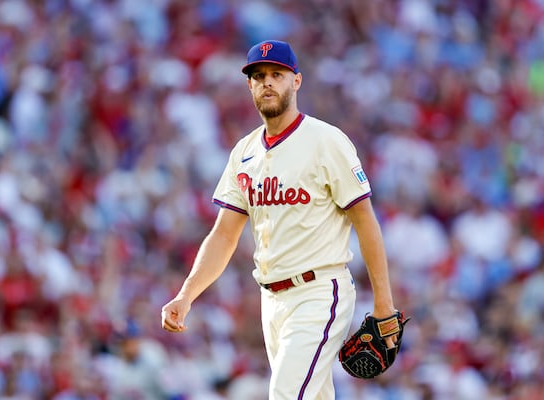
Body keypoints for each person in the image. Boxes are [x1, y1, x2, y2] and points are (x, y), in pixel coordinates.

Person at [161, 39, 398, 399]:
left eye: (277, 74)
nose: (267, 82)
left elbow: (365, 221)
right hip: (271, 301)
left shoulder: (326, 141)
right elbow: (224, 234)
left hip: (320, 291)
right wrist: (186, 294)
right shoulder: (245, 152)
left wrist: (384, 305)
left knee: (286, 394)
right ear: (249, 85)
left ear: (296, 81)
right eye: (258, 76)